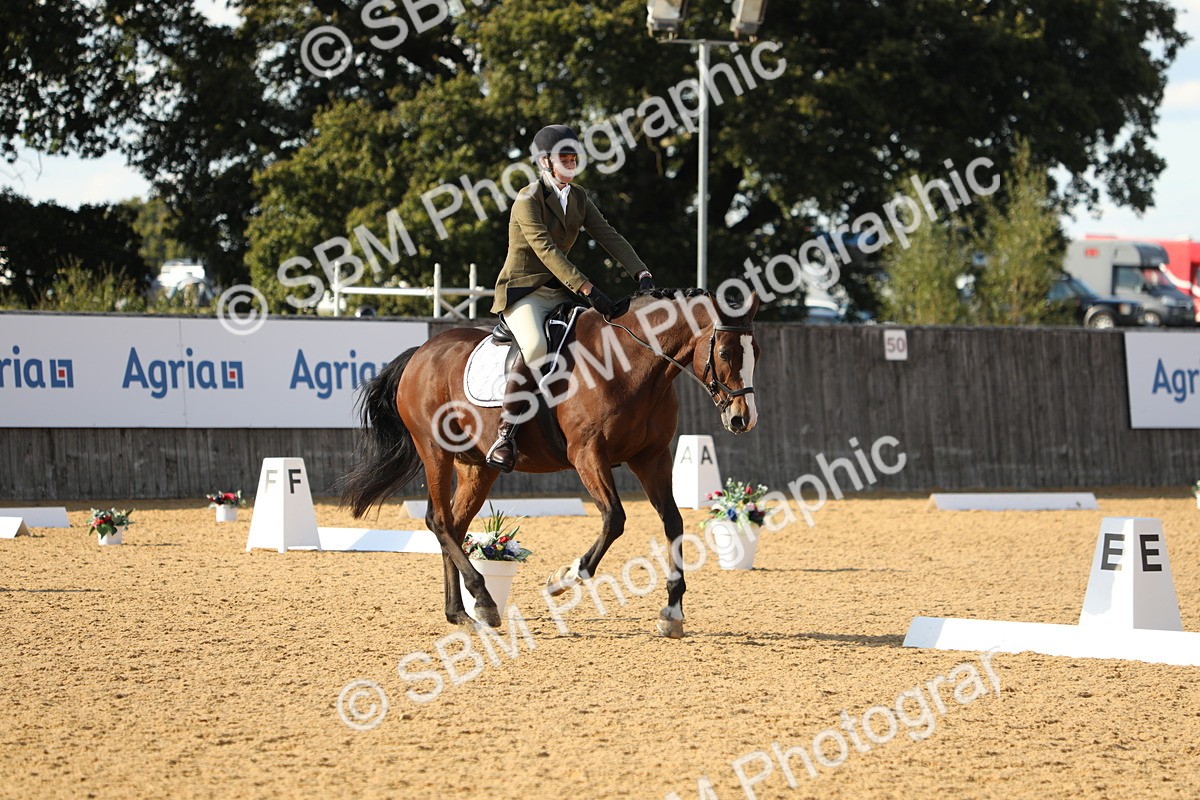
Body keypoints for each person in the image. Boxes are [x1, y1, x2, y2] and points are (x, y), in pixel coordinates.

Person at [485, 124, 655, 473]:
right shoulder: (527, 200)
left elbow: (608, 234)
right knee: (535, 348)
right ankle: (505, 434)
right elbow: (546, 251)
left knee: (594, 341)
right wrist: (587, 288)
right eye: (564, 157)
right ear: (545, 162)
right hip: (524, 291)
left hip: (561, 290)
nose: (571, 163)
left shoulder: (578, 197)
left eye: (574, 157)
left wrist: (641, 272)